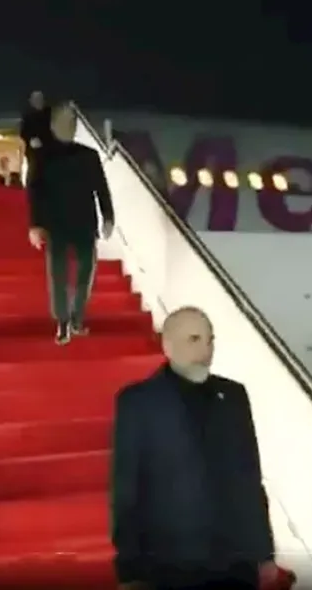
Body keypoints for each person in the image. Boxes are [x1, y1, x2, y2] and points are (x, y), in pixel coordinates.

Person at [110, 306, 280, 590]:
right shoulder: (137, 401)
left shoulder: (234, 395)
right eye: (194, 339)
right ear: (167, 345)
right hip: (170, 564)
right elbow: (127, 488)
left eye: (210, 340)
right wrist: (129, 570)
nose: (206, 350)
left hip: (235, 563)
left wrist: (264, 553)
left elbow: (249, 478)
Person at [26, 100, 115, 345]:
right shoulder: (42, 157)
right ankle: (63, 321)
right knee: (59, 275)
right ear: (53, 125)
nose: (68, 126)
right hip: (56, 225)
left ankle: (77, 317)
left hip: (85, 223)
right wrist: (35, 225)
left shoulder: (89, 155)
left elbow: (101, 189)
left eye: (71, 122)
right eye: (63, 121)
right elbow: (35, 191)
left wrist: (108, 217)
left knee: (85, 272)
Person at [20, 90, 52, 188]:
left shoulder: (50, 115)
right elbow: (24, 133)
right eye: (35, 99)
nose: (37, 101)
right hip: (34, 156)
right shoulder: (28, 117)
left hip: (50, 155)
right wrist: (30, 140)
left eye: (39, 99)